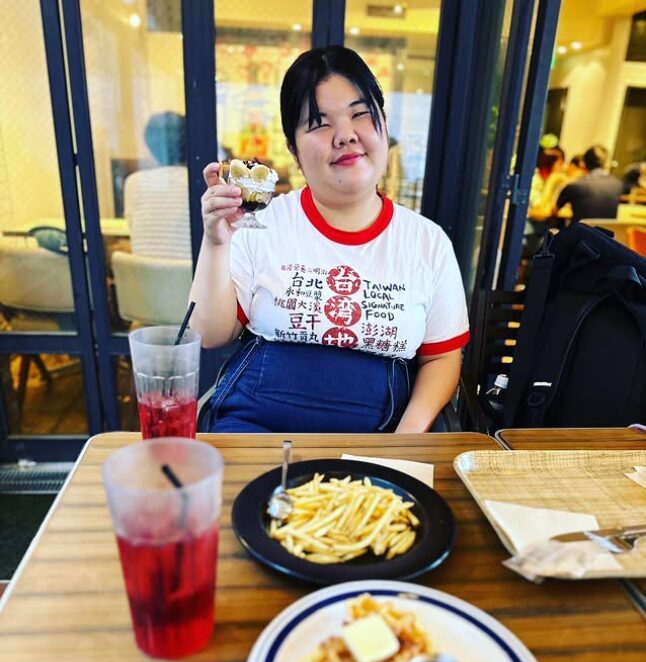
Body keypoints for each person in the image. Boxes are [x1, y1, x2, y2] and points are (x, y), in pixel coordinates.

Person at [189, 46, 470, 434]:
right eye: (319, 124)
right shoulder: (260, 224)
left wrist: (404, 440)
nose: (345, 135)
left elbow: (442, 358)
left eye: (360, 114)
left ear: (383, 125)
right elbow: (210, 334)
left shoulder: (427, 242)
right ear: (293, 150)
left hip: (378, 437)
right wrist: (217, 242)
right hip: (256, 430)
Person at [123, 111, 191, 259]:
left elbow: (132, 228)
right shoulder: (200, 182)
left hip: (142, 273)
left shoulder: (133, 183)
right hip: (196, 273)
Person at [556, 145, 622, 223]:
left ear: (583, 163)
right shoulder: (618, 184)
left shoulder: (576, 185)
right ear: (605, 163)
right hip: (606, 231)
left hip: (580, 230)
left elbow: (554, 210)